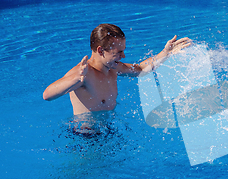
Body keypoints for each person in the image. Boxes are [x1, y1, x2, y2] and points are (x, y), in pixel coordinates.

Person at [43, 23, 191, 116]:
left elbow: (140, 69)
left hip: (108, 129)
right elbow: (47, 95)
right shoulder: (83, 73)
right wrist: (74, 80)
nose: (123, 56)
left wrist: (166, 53)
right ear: (101, 50)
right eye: (118, 52)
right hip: (86, 136)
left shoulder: (113, 68)